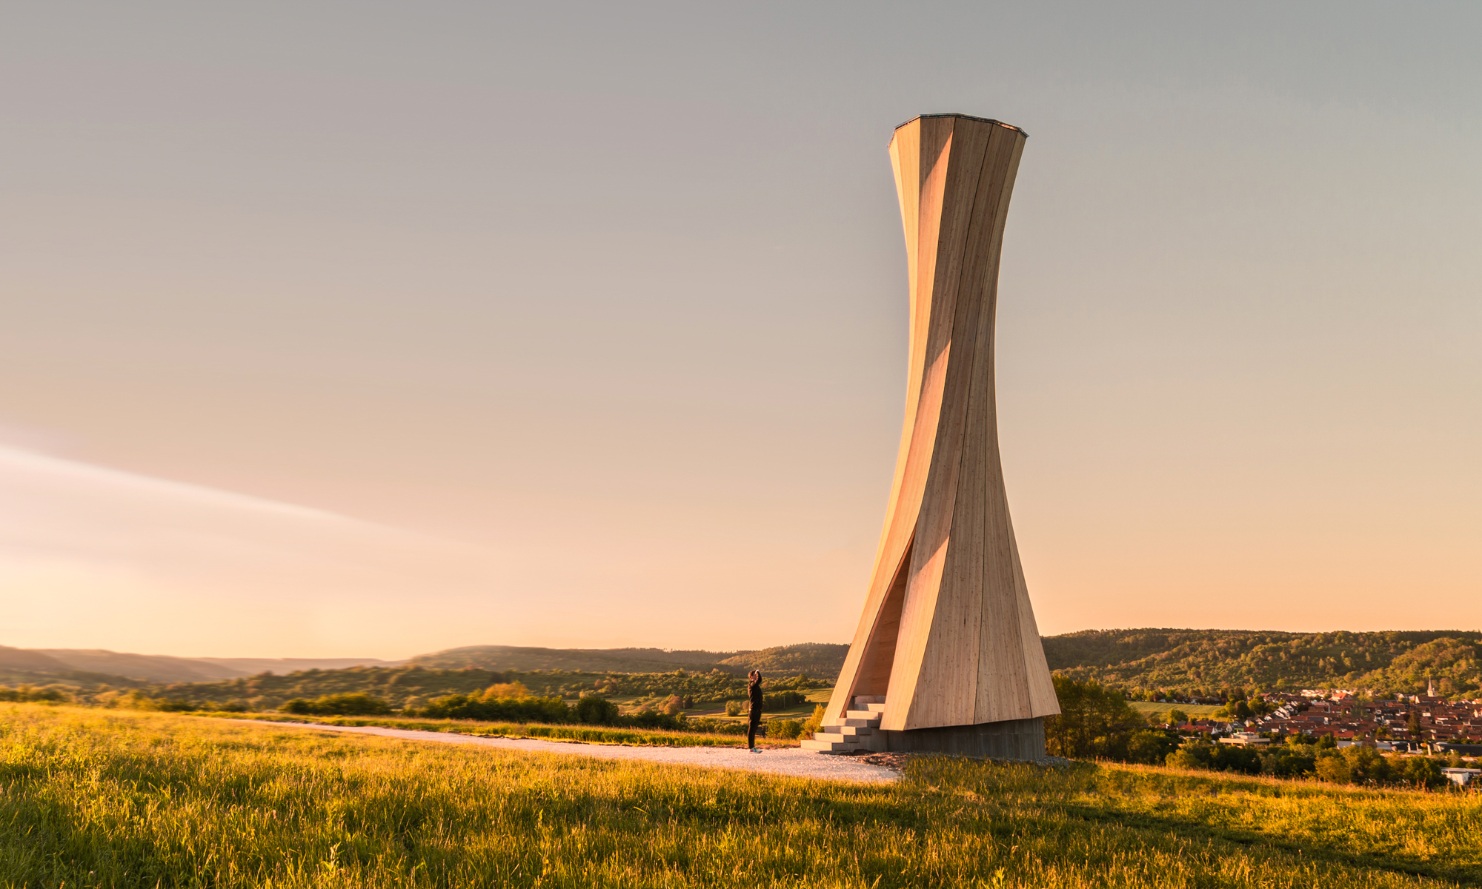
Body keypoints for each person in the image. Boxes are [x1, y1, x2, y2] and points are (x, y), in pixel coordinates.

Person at [746, 670, 763, 752]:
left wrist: (757, 673)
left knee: (754, 728)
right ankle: (751, 748)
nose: (756, 677)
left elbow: (759, 680)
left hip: (757, 710)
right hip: (753, 710)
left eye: (756, 675)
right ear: (751, 677)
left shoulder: (755, 686)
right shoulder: (752, 685)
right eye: (754, 675)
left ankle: (752, 747)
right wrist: (758, 672)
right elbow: (759, 680)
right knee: (751, 729)